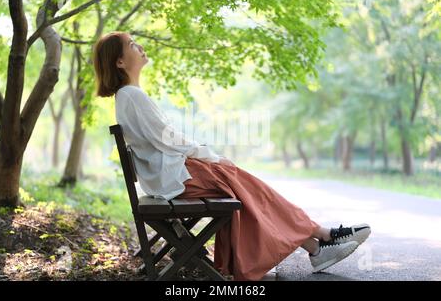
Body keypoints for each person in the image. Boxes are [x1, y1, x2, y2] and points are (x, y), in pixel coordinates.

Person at [93, 31, 371, 281]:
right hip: (175, 177)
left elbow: (164, 139)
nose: (139, 46)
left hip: (172, 174)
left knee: (248, 186)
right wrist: (210, 156)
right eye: (131, 44)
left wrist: (208, 156)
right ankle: (321, 236)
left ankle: (316, 244)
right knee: (247, 186)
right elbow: (168, 138)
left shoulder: (129, 95)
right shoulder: (131, 95)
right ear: (119, 62)